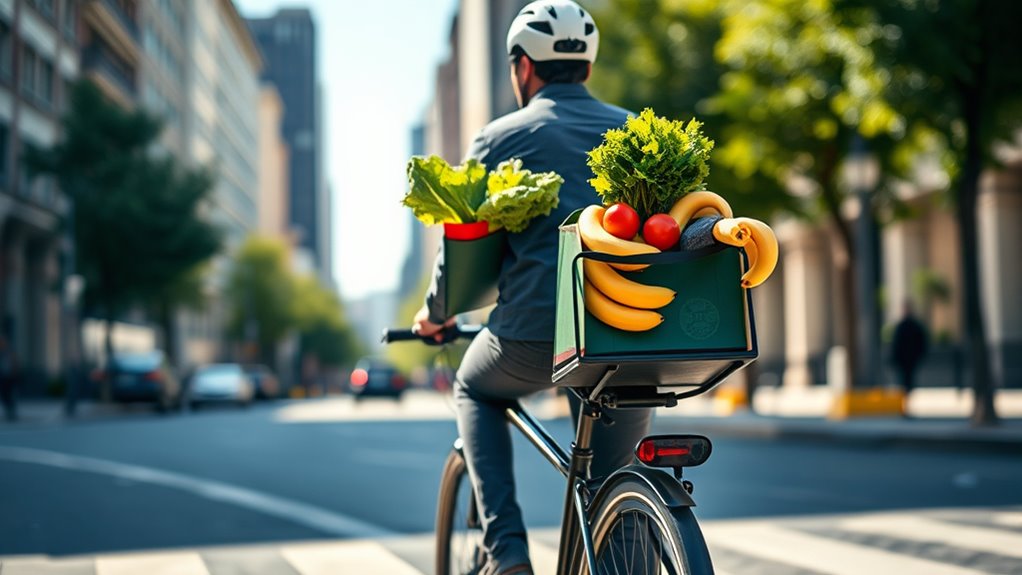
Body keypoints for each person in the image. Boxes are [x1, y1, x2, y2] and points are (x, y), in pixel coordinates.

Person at [413, 2, 652, 573]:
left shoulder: (498, 139)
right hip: (629, 333)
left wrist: (436, 314)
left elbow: (463, 248)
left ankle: (508, 552)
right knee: (613, 484)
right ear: (587, 69)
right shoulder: (636, 134)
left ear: (522, 68)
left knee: (474, 388)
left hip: (533, 336)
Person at [891, 300, 928, 407]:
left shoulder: (914, 326)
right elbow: (896, 344)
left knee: (908, 382)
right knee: (904, 383)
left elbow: (921, 342)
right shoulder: (901, 326)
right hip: (903, 360)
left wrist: (919, 355)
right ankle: (904, 405)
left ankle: (906, 404)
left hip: (911, 359)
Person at [0, 334, 18, 421]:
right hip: (3, 377)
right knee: (4, 395)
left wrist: (14, 373)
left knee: (9, 395)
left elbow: (14, 363)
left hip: (9, 377)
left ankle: (11, 413)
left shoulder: (9, 352)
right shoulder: (2, 352)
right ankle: (10, 412)